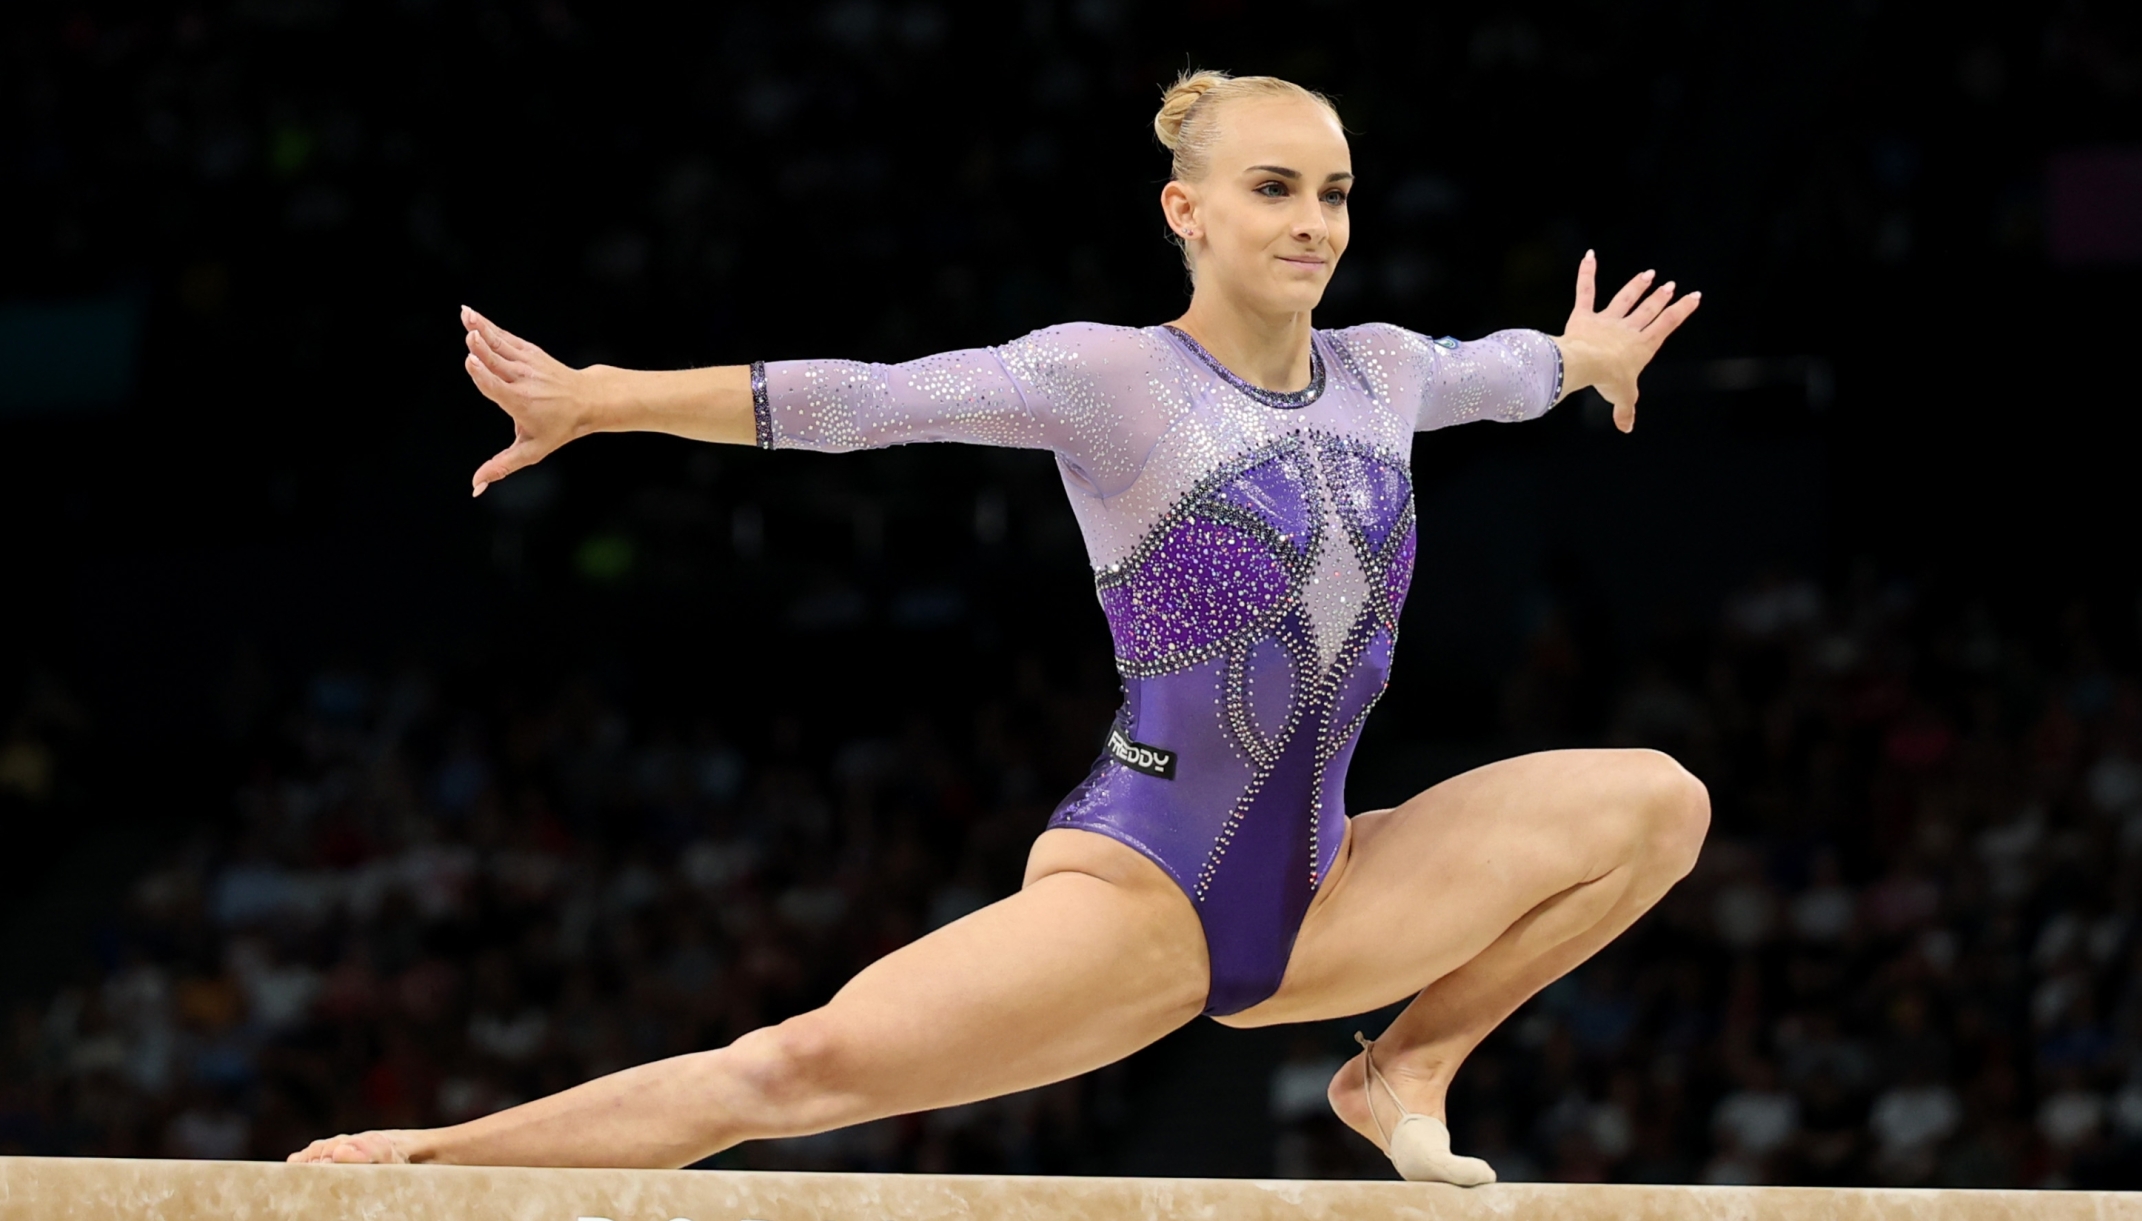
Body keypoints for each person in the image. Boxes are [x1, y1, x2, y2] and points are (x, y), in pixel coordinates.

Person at [292, 69, 1709, 1183]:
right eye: (1273, 188)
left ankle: (1403, 1068)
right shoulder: (1107, 380)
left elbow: (1510, 368)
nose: (1312, 223)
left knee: (1658, 803)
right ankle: (428, 1156)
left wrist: (1589, 359)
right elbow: (869, 400)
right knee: (791, 1071)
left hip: (1337, 889)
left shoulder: (1387, 370)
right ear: (1186, 211)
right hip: (1144, 893)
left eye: (1333, 192)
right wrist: (604, 393)